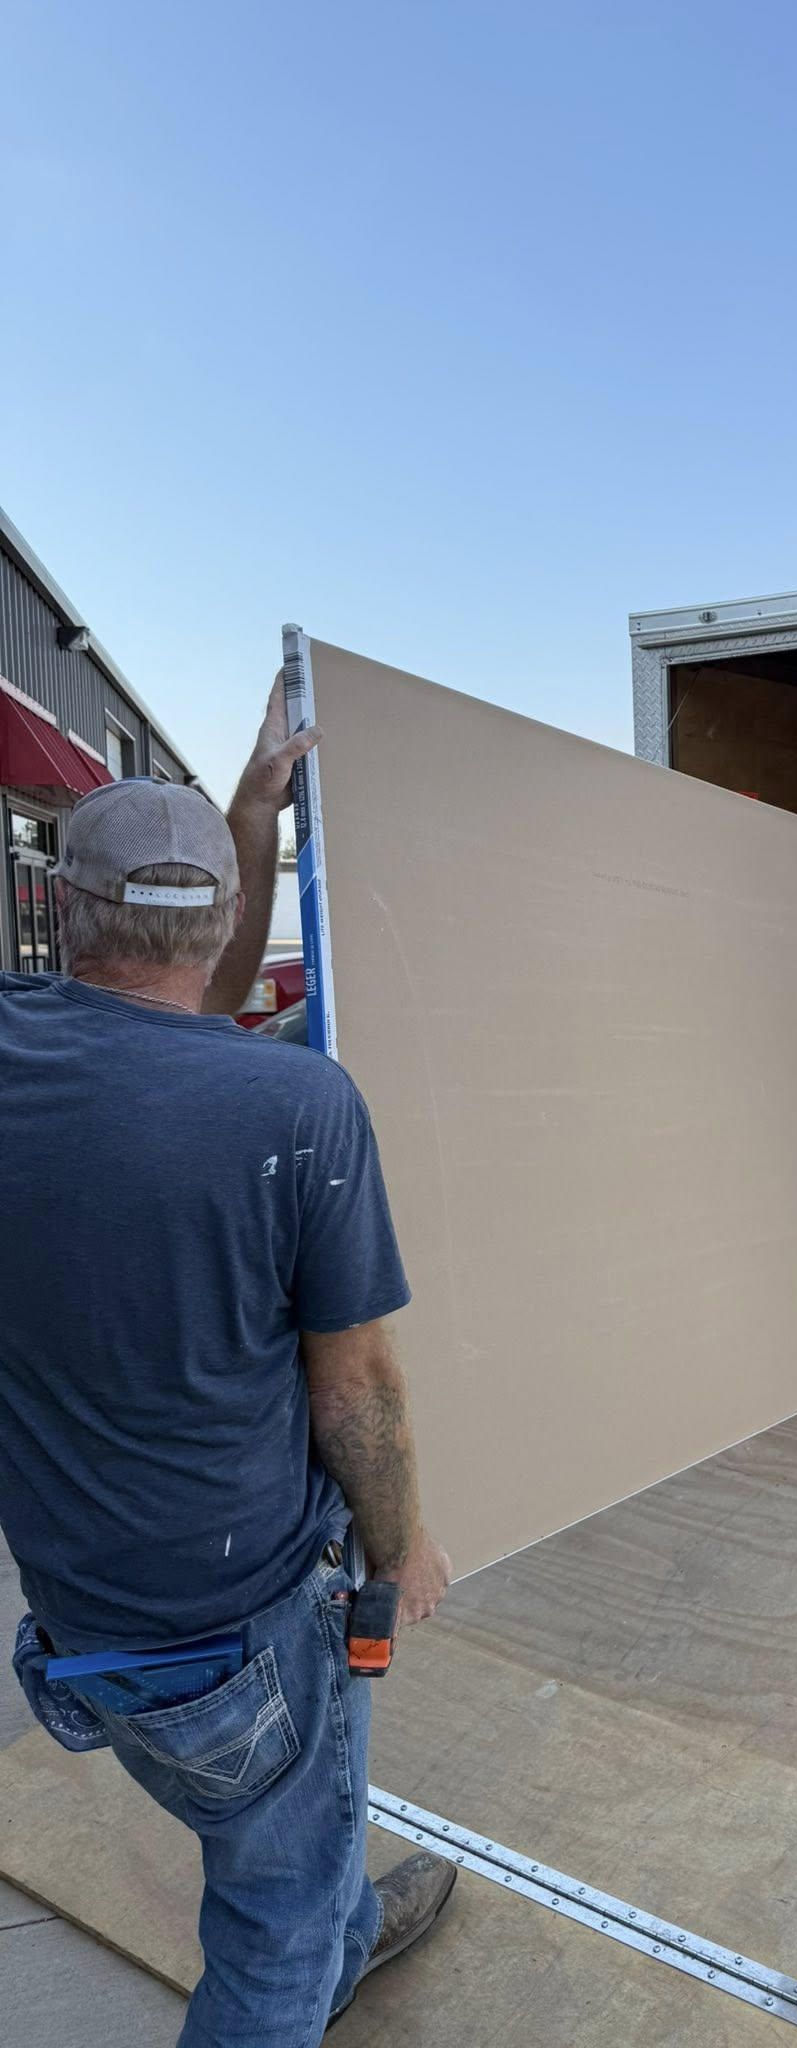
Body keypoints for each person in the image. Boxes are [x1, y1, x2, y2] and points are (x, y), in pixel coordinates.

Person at [0, 684, 456, 2047]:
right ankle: (313, 1951)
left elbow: (172, 1025)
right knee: (269, 1923)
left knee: (285, 1854)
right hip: (245, 1628)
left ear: (62, 913)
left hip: (79, 1607)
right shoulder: (296, 1105)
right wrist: (402, 1548)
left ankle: (340, 1932)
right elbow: (356, 1389)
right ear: (216, 934)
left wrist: (245, 826)